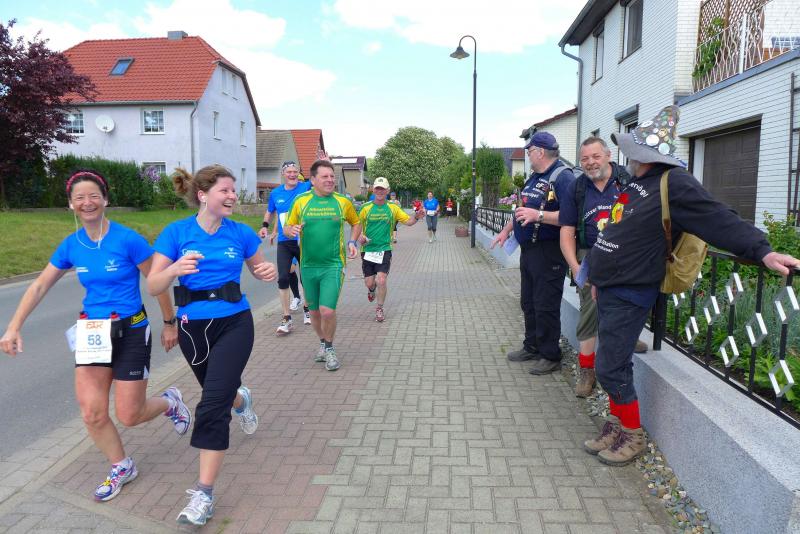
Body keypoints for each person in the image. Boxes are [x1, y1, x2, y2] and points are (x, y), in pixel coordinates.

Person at [584, 105, 800, 466]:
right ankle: (617, 426)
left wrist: (762, 250)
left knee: (609, 366)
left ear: (646, 153)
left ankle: (632, 435)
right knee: (613, 362)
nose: (628, 155)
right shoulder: (638, 182)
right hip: (610, 287)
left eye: (633, 148)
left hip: (630, 290)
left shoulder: (674, 183)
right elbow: (617, 229)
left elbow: (717, 217)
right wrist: (597, 276)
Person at [0, 169, 190, 503]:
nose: (87, 203)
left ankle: (170, 402)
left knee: (130, 415)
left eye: (93, 196)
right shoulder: (71, 245)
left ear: (105, 200)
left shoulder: (127, 239)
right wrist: (14, 326)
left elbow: (156, 281)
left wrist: (169, 322)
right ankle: (121, 465)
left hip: (131, 330)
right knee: (91, 412)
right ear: (70, 204)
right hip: (93, 334)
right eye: (79, 198)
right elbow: (40, 285)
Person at [147, 164, 277, 526]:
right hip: (193, 329)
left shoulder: (241, 233)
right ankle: (241, 400)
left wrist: (266, 273)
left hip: (235, 323)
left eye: (233, 190)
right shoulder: (176, 233)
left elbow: (260, 270)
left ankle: (203, 494)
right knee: (221, 393)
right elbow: (154, 285)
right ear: (203, 195)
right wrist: (174, 270)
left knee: (210, 405)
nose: (233, 196)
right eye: (225, 190)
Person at [559, 137, 650, 397]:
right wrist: (575, 266)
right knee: (590, 308)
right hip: (591, 255)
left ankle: (628, 338)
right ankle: (587, 370)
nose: (590, 163)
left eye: (595, 156)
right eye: (585, 159)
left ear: (608, 155)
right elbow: (566, 231)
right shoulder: (576, 188)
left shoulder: (629, 181)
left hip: (627, 254)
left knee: (629, 301)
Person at [491, 132, 576, 375]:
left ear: (540, 152)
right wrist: (506, 230)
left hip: (549, 251)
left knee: (545, 304)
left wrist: (539, 216)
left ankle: (550, 355)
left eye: (529, 151)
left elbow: (571, 216)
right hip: (529, 251)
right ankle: (532, 346)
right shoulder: (535, 178)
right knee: (528, 302)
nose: (528, 155)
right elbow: (522, 210)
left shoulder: (563, 177)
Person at [284, 159, 362, 371]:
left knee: (327, 311)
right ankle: (322, 342)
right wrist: (291, 230)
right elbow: (287, 227)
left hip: (333, 265)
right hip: (308, 266)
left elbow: (356, 223)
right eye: (325, 176)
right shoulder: (301, 201)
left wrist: (352, 242)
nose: (330, 180)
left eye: (332, 176)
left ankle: (329, 347)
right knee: (315, 312)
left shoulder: (342, 202)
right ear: (313, 180)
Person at [358, 177, 424, 322]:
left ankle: (379, 308)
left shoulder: (393, 208)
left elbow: (408, 221)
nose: (380, 191)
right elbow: (356, 225)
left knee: (381, 280)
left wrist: (416, 217)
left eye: (383, 189)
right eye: (377, 188)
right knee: (370, 282)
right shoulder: (365, 208)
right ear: (373, 190)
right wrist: (360, 236)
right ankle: (371, 289)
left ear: (387, 191)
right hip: (367, 250)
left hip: (384, 249)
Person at [259, 161, 312, 335]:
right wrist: (265, 226)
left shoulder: (305, 187)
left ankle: (307, 309)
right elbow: (271, 211)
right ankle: (286, 317)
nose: (292, 174)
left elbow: (320, 178)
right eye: (289, 172)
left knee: (306, 277)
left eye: (295, 171)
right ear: (283, 174)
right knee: (283, 278)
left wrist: (326, 163)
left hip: (304, 239)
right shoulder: (276, 193)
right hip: (285, 241)